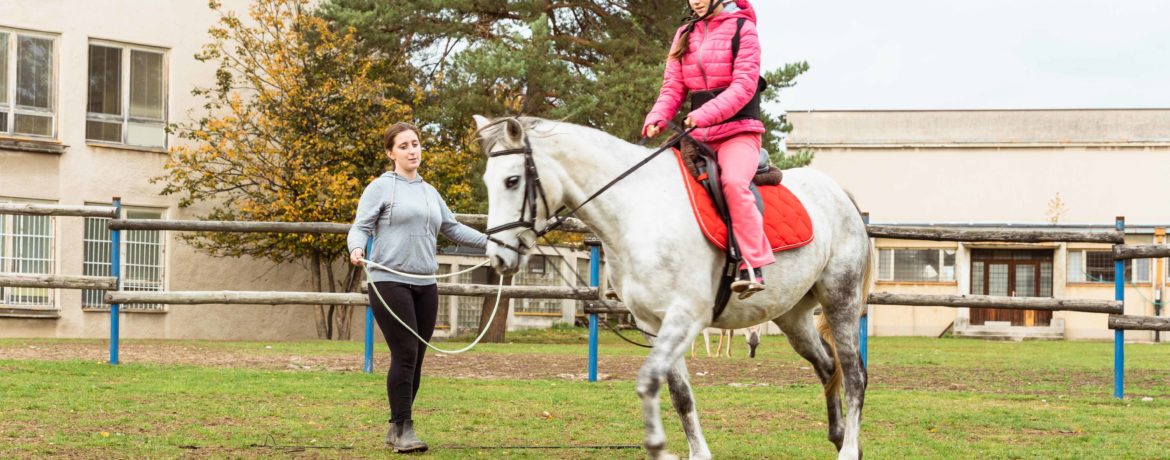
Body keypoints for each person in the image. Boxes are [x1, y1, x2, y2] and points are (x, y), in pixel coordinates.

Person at [348, 122, 487, 453]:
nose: (413, 151)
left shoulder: (429, 192)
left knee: (417, 356)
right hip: (389, 280)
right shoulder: (380, 188)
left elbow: (452, 228)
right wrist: (357, 248)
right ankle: (404, 428)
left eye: (416, 144)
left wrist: (491, 243)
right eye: (404, 146)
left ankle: (397, 427)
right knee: (406, 352)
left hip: (426, 282)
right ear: (390, 153)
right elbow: (361, 226)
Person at [643, 0, 772, 298]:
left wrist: (704, 114)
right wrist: (657, 117)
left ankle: (752, 265)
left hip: (738, 131)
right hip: (698, 133)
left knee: (734, 183)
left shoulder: (744, 30)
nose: (695, 1)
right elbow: (673, 88)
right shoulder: (684, 33)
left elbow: (743, 86)